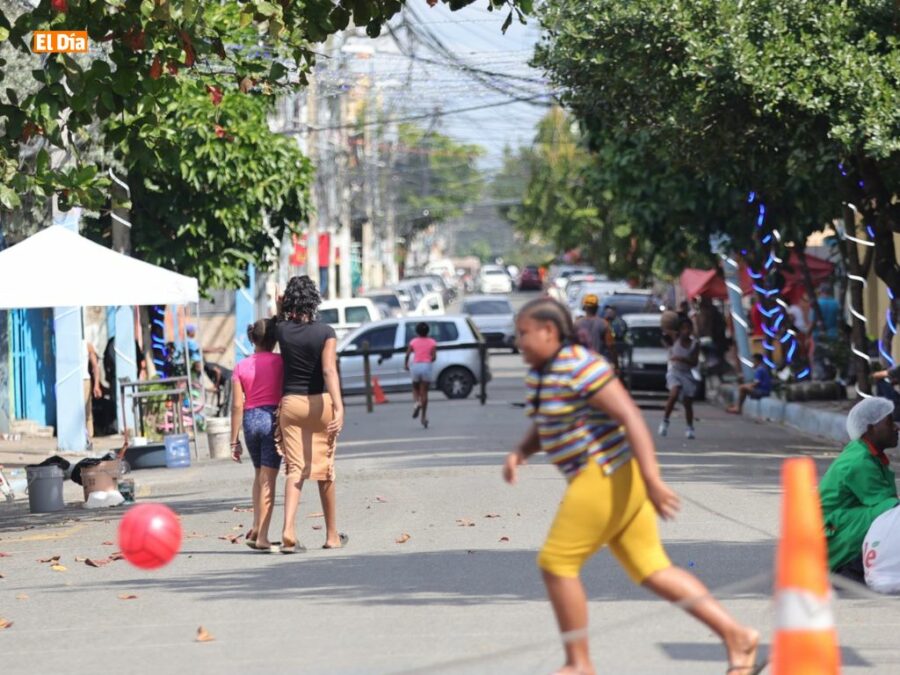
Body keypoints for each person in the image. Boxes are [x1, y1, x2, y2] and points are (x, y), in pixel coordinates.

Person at [504, 297, 761, 675]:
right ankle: (737, 636)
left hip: (603, 474)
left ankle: (579, 663)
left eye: (524, 334)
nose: (518, 342)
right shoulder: (543, 374)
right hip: (614, 478)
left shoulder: (579, 365)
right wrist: (520, 453)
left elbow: (630, 416)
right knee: (652, 569)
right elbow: (548, 424)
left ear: (548, 331)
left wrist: (654, 480)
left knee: (557, 563)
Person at [276, 275, 347, 552]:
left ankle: (288, 530)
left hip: (291, 404)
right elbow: (329, 370)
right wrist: (339, 407)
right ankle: (331, 536)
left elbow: (278, 317)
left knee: (295, 469)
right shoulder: (326, 332)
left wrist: (280, 305)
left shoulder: (281, 330)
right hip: (320, 404)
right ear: (314, 301)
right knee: (324, 470)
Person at [819, 397, 899, 584]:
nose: (896, 428)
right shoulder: (860, 461)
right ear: (870, 429)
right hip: (830, 534)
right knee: (891, 513)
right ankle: (847, 567)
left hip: (837, 526)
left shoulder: (866, 453)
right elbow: (888, 508)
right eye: (889, 423)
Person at [230, 319, 283, 552]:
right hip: (272, 418)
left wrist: (234, 439)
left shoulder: (240, 366)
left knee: (259, 474)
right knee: (269, 480)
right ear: (275, 340)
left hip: (250, 420)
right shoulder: (281, 362)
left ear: (253, 340)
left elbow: (236, 406)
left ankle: (255, 525)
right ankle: (262, 536)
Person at [660, 317, 700, 439]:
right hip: (674, 371)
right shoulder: (675, 338)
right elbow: (665, 330)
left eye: (689, 328)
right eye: (684, 328)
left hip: (686, 373)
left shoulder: (695, 344)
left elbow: (694, 362)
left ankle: (689, 427)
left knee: (688, 403)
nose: (686, 331)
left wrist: (683, 359)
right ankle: (665, 421)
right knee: (674, 393)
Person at [404, 322, 437, 429]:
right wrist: (429, 360)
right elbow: (434, 357)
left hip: (416, 366)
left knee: (415, 387)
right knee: (424, 392)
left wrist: (406, 364)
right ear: (428, 331)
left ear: (417, 331)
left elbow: (408, 354)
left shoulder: (413, 341)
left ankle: (417, 403)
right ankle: (423, 417)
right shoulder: (432, 342)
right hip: (426, 366)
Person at [574, 294, 614, 364]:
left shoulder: (577, 324)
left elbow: (571, 345)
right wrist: (615, 364)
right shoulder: (604, 324)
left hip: (581, 364)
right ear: (597, 308)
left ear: (584, 307)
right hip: (598, 365)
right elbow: (610, 345)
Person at [83, 341, 101, 444]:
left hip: (85, 380)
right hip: (72, 381)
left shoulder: (87, 345)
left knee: (87, 410)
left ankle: (89, 437)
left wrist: (96, 385)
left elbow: (95, 366)